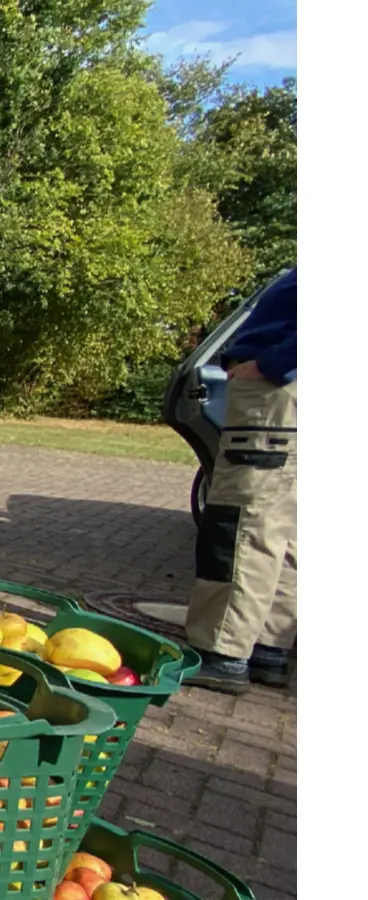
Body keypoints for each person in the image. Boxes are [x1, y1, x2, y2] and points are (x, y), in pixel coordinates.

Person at [183, 268, 297, 694]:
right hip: (286, 401)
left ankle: (222, 652)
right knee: (283, 530)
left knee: (241, 524)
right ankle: (267, 647)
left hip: (274, 397)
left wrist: (271, 364)